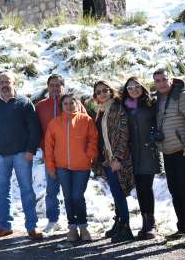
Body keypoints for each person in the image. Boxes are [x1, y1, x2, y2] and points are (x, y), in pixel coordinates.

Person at [0, 71, 43, 240]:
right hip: (0, 154)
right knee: (1, 191)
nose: (4, 84)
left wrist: (31, 150)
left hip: (22, 154)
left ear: (14, 82)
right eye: (1, 82)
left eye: (7, 81)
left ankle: (32, 226)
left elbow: (34, 129)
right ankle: (4, 226)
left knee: (27, 190)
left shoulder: (24, 103)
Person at [153, 69, 185, 246]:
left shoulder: (182, 95)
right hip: (167, 152)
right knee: (175, 191)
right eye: (157, 81)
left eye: (164, 79)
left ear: (171, 79)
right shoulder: (159, 98)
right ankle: (182, 227)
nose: (161, 83)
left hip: (183, 151)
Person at [45, 94, 98, 242]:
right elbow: (49, 147)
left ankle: (83, 226)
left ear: (77, 104)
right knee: (68, 197)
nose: (69, 106)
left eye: (71, 103)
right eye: (65, 103)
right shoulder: (54, 123)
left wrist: (88, 155)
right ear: (62, 106)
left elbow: (93, 139)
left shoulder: (86, 120)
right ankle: (72, 228)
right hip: (62, 167)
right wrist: (50, 166)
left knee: (77, 196)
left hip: (81, 167)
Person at [93, 80, 134, 243]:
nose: (102, 94)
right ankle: (118, 223)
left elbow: (123, 134)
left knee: (118, 192)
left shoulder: (118, 108)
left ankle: (126, 227)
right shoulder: (100, 111)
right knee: (115, 193)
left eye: (105, 90)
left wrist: (117, 157)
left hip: (117, 158)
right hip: (106, 159)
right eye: (98, 92)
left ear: (111, 91)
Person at [121, 77, 162, 240]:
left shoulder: (151, 104)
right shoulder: (126, 106)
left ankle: (151, 224)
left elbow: (161, 122)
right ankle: (145, 223)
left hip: (148, 152)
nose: (133, 90)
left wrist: (157, 135)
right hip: (133, 154)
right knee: (139, 188)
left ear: (142, 87)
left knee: (146, 186)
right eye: (130, 88)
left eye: (136, 86)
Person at [36, 74, 65, 233]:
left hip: (70, 155)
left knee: (71, 191)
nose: (55, 88)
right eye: (52, 85)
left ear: (63, 87)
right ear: (48, 87)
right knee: (52, 190)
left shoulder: (70, 103)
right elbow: (36, 129)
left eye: (58, 85)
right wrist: (42, 146)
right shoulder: (41, 106)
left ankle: (73, 222)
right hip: (50, 155)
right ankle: (53, 220)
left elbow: (84, 123)